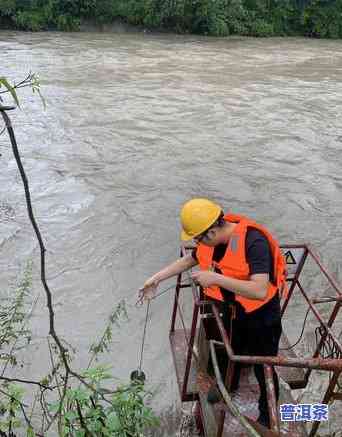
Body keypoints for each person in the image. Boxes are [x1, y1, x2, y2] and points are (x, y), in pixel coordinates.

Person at [139, 198, 286, 428]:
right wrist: (155, 278)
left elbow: (260, 290)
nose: (198, 243)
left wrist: (215, 278)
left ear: (212, 231)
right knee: (229, 350)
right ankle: (228, 386)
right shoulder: (211, 241)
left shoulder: (254, 243)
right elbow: (190, 259)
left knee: (263, 365)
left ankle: (268, 414)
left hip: (262, 316)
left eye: (198, 238)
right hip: (233, 310)